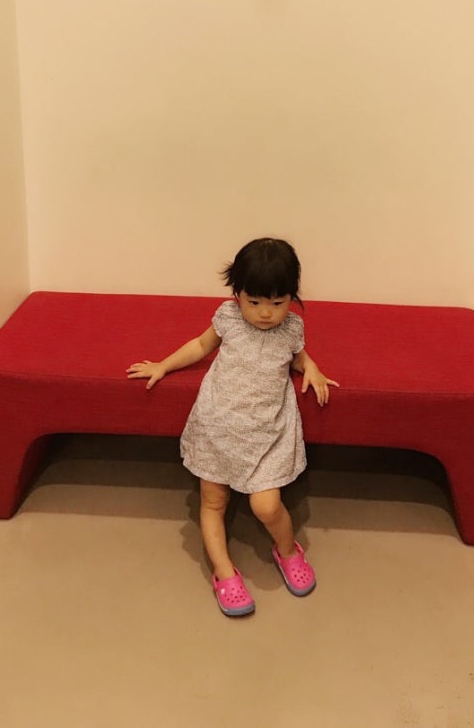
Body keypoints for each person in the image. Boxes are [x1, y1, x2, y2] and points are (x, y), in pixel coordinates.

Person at [126, 238, 338, 617]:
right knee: (213, 501)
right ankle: (224, 573)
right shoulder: (228, 318)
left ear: (292, 297)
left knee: (266, 505)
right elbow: (199, 346)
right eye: (253, 302)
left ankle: (288, 551)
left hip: (267, 431)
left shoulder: (291, 328)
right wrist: (163, 365)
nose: (265, 313)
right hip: (218, 426)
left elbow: (299, 358)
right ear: (236, 294)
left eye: (277, 302)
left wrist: (314, 369)